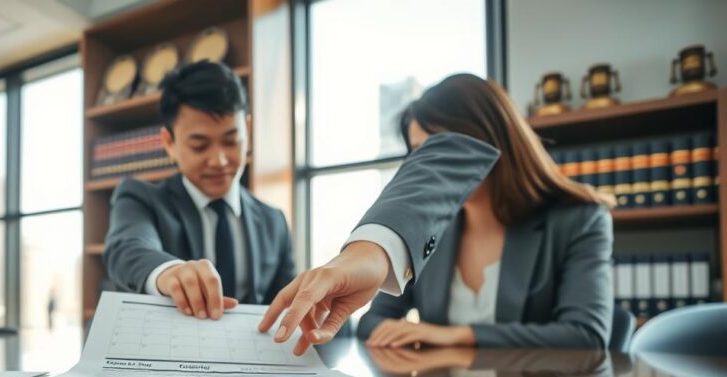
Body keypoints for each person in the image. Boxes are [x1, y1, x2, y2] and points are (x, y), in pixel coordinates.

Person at [259, 74, 614, 354]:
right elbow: (375, 321)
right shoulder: (428, 229)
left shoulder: (580, 219)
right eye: (419, 154)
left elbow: (586, 335)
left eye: (443, 148)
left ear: (491, 138)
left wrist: (455, 336)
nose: (429, 167)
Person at [104, 61, 295, 320]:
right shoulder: (140, 198)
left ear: (247, 131)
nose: (219, 160)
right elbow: (127, 249)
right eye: (199, 145)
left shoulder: (274, 221)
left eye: (231, 141)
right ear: (168, 143)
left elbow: (287, 308)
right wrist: (168, 272)